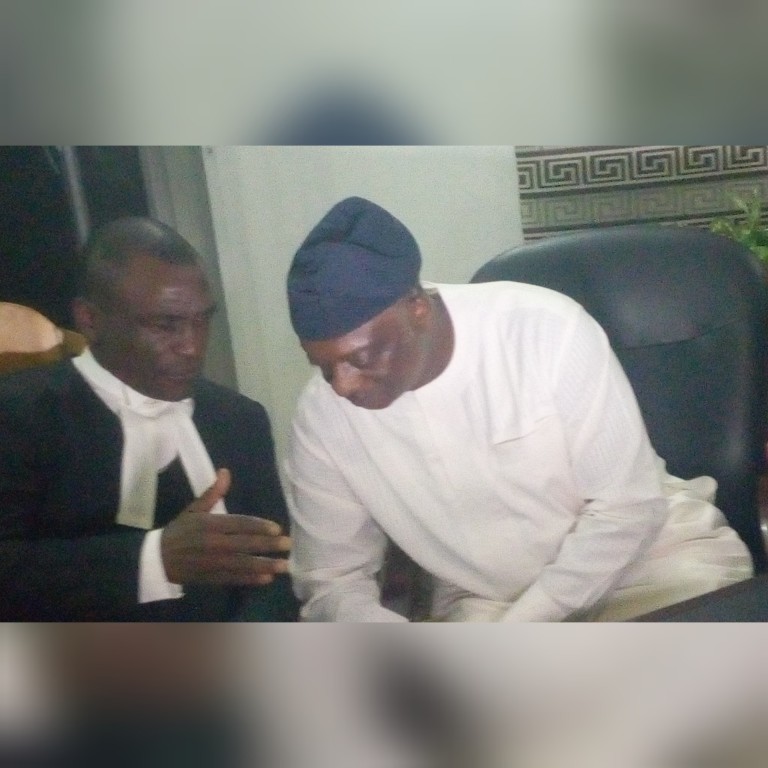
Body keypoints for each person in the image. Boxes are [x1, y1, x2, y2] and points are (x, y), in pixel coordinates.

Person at [284, 196, 753, 622]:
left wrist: (527, 629)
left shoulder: (546, 331)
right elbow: (330, 579)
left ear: (417, 308)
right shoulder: (321, 416)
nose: (342, 385)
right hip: (488, 600)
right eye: (323, 366)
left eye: (362, 358)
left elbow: (626, 510)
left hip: (652, 565)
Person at [0, 217, 298, 621]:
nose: (192, 346)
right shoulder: (19, 416)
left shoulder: (239, 419)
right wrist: (153, 561)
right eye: (165, 324)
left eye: (202, 320)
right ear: (90, 320)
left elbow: (275, 573)